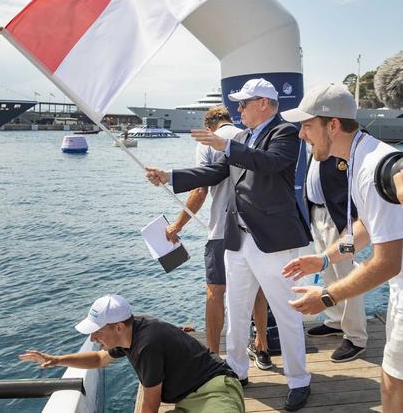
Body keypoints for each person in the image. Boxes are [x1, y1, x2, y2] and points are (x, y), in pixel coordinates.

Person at [146, 78, 312, 411]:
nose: (238, 110)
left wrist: (227, 147)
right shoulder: (244, 138)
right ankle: (237, 370)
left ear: (264, 103)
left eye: (244, 104)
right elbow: (216, 172)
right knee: (237, 310)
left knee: (286, 312)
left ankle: (298, 380)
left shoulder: (286, 133)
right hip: (237, 239)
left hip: (273, 242)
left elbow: (268, 163)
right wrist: (170, 176)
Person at [281, 83, 403, 412]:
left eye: (307, 125)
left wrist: (325, 297)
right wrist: (323, 259)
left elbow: (389, 262)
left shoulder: (378, 164)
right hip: (398, 289)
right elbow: (364, 226)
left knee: (394, 383)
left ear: (332, 125)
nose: (302, 135)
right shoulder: (357, 157)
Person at [164, 105, 272, 369]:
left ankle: (212, 354)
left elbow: (201, 188)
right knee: (258, 289)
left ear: (209, 125)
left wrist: (177, 225)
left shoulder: (210, 142)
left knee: (215, 291)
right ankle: (262, 346)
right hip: (254, 226)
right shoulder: (249, 135)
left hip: (223, 228)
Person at [19, 294, 244, 413]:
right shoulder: (129, 333)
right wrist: (57, 360)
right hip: (188, 401)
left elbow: (150, 405)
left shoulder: (146, 345)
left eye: (96, 332)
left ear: (117, 326)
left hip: (217, 392)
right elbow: (98, 359)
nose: (92, 338)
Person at [304, 154, 368, 361]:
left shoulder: (342, 147)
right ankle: (337, 320)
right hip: (318, 213)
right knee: (328, 272)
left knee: (347, 276)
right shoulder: (316, 146)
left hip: (340, 217)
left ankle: (356, 336)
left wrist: (354, 218)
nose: (303, 131)